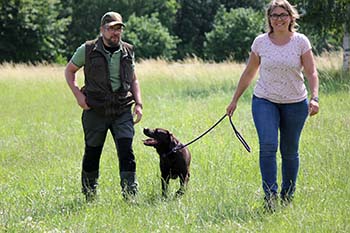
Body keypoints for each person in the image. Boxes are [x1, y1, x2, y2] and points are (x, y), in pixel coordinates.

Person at [226, 0, 319, 211]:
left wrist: (315, 98)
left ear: (291, 17)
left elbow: (311, 72)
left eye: (283, 14)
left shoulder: (300, 42)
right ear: (269, 19)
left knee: (289, 150)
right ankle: (270, 197)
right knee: (268, 146)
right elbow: (249, 72)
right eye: (274, 15)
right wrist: (235, 100)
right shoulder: (260, 42)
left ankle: (287, 196)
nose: (278, 19)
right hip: (264, 100)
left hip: (295, 103)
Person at [64, 11, 143, 201]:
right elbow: (69, 71)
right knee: (93, 151)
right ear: (102, 30)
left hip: (122, 108)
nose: (116, 33)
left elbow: (134, 79)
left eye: (119, 29)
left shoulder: (128, 50)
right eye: (111, 29)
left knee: (126, 150)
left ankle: (130, 195)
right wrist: (78, 96)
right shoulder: (87, 49)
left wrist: (138, 103)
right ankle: (89, 195)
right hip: (95, 109)